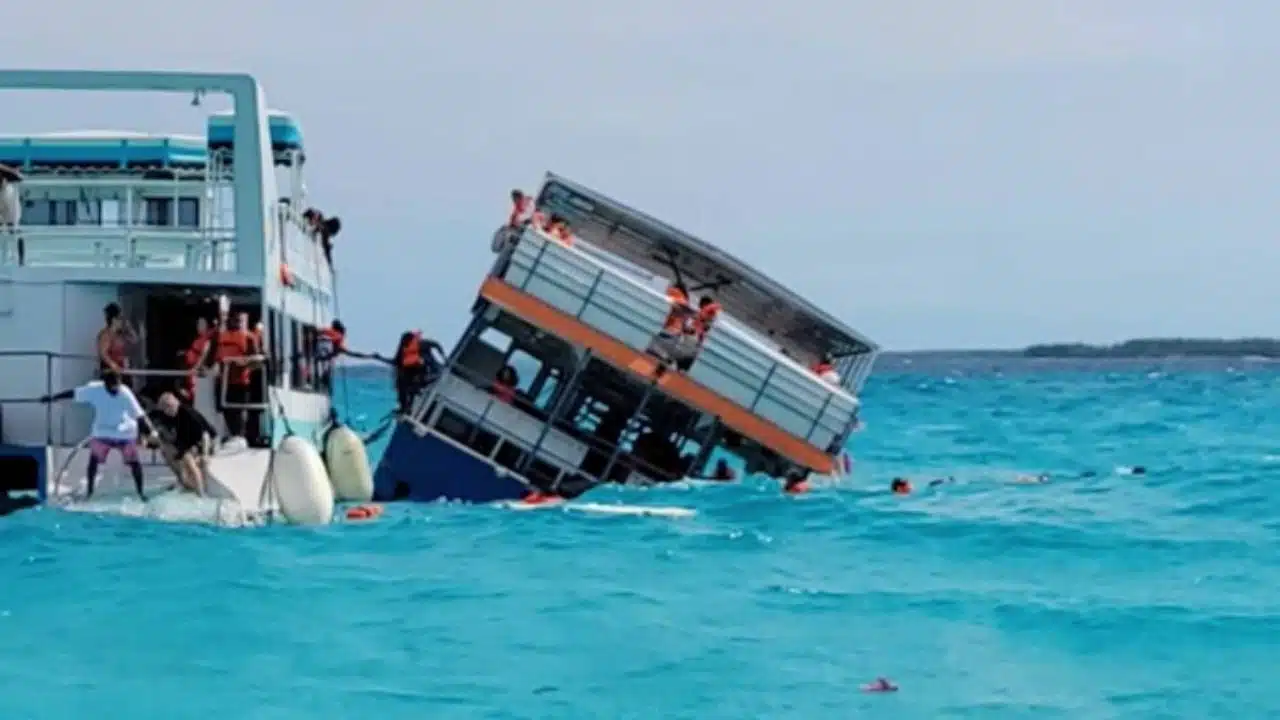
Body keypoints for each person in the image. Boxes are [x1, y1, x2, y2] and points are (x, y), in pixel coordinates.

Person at [39, 371, 161, 501]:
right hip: (103, 432)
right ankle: (90, 493)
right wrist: (53, 397)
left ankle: (140, 493)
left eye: (117, 386)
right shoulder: (94, 390)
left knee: (134, 463)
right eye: (112, 387)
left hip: (124, 432)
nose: (116, 390)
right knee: (94, 461)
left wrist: (151, 432)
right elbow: (73, 393)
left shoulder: (125, 392)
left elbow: (140, 415)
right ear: (105, 385)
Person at [149, 392, 218, 495]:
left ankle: (201, 493)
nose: (168, 410)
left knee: (188, 461)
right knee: (167, 452)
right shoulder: (165, 415)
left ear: (176, 403)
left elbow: (206, 435)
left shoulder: (188, 413)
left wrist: (205, 454)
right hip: (186, 443)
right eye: (165, 408)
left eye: (170, 406)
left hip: (204, 442)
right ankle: (183, 481)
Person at [213, 311, 260, 440]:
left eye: (240, 320)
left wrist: (243, 363)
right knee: (224, 411)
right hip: (223, 382)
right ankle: (226, 436)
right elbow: (214, 357)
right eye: (235, 319)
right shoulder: (221, 336)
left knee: (240, 411)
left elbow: (256, 360)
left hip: (241, 382)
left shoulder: (249, 337)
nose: (237, 322)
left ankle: (240, 436)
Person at [379, 331, 445, 414]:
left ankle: (408, 406)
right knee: (405, 382)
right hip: (420, 373)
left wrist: (443, 355)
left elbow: (436, 344)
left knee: (413, 383)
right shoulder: (404, 350)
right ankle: (406, 407)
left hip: (433, 372)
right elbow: (396, 361)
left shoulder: (422, 344)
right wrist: (380, 358)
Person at [97, 302, 137, 378]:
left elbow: (134, 340)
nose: (122, 320)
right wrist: (113, 365)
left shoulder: (121, 334)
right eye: (120, 318)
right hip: (111, 372)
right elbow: (103, 353)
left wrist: (129, 327)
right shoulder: (105, 334)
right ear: (114, 319)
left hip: (122, 369)